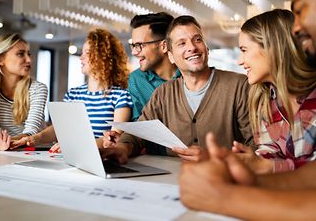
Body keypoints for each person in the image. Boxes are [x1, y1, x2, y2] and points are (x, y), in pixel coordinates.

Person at [179, 0, 316, 219]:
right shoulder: (263, 97)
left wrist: (225, 196)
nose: (296, 28)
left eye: (301, 11)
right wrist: (246, 176)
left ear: (274, 48)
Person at [102, 15, 253, 162]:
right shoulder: (163, 93)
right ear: (171, 56)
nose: (192, 47)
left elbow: (258, 147)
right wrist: (122, 148)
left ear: (206, 48)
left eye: (197, 40)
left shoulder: (239, 86)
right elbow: (138, 133)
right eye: (182, 43)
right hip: (171, 180)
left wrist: (215, 157)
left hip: (224, 180)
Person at [231, 9, 316, 174]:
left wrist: (270, 167)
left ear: (272, 48)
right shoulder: (263, 97)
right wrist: (249, 161)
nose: (240, 61)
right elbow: (270, 149)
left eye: (244, 50)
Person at [11, 28, 132, 152]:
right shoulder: (73, 94)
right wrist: (32, 139)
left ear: (104, 57)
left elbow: (113, 138)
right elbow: (60, 128)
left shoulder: (121, 96)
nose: (81, 57)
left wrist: (77, 146)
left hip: (102, 159)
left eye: (87, 53)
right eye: (82, 52)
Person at [127, 12, 180, 122]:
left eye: (140, 45)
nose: (134, 52)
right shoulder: (136, 79)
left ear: (164, 46)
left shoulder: (190, 75)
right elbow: (138, 123)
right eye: (133, 45)